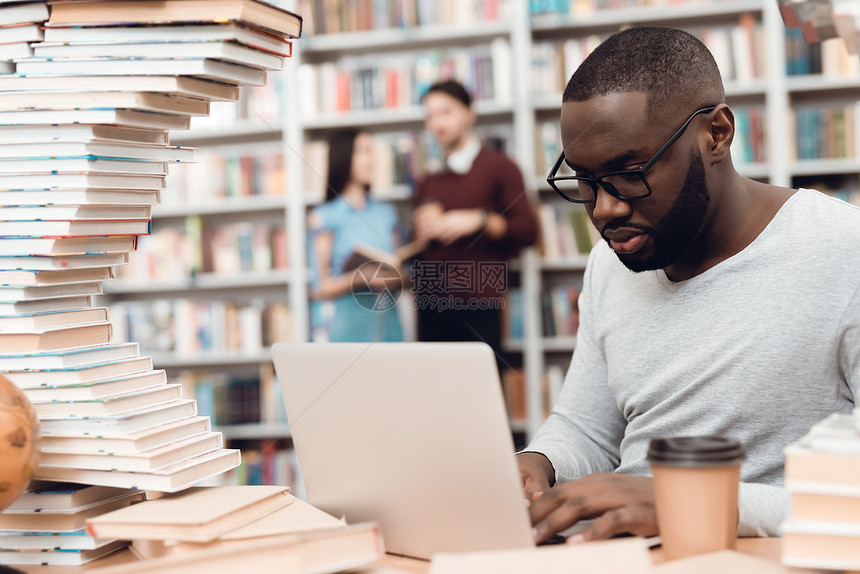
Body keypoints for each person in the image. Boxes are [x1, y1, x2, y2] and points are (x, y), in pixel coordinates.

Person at [518, 26, 859, 543]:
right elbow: (587, 427)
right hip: (616, 553)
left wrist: (689, 501)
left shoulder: (842, 250)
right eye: (585, 182)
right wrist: (535, 463)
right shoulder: (610, 265)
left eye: (630, 173)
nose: (605, 210)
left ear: (717, 134)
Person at [413, 80, 538, 366]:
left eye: (446, 112)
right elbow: (422, 248)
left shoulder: (500, 167)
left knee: (483, 398)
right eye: (430, 115)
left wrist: (480, 219)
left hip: (480, 304)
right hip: (430, 305)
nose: (437, 123)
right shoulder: (428, 180)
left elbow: (528, 231)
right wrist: (422, 231)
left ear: (470, 114)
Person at [307, 129, 404, 342]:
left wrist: (395, 277)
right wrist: (362, 276)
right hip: (347, 327)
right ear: (344, 156)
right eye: (363, 152)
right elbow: (319, 287)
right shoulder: (324, 217)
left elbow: (403, 270)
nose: (371, 160)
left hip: (390, 325)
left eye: (372, 152)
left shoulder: (386, 212)